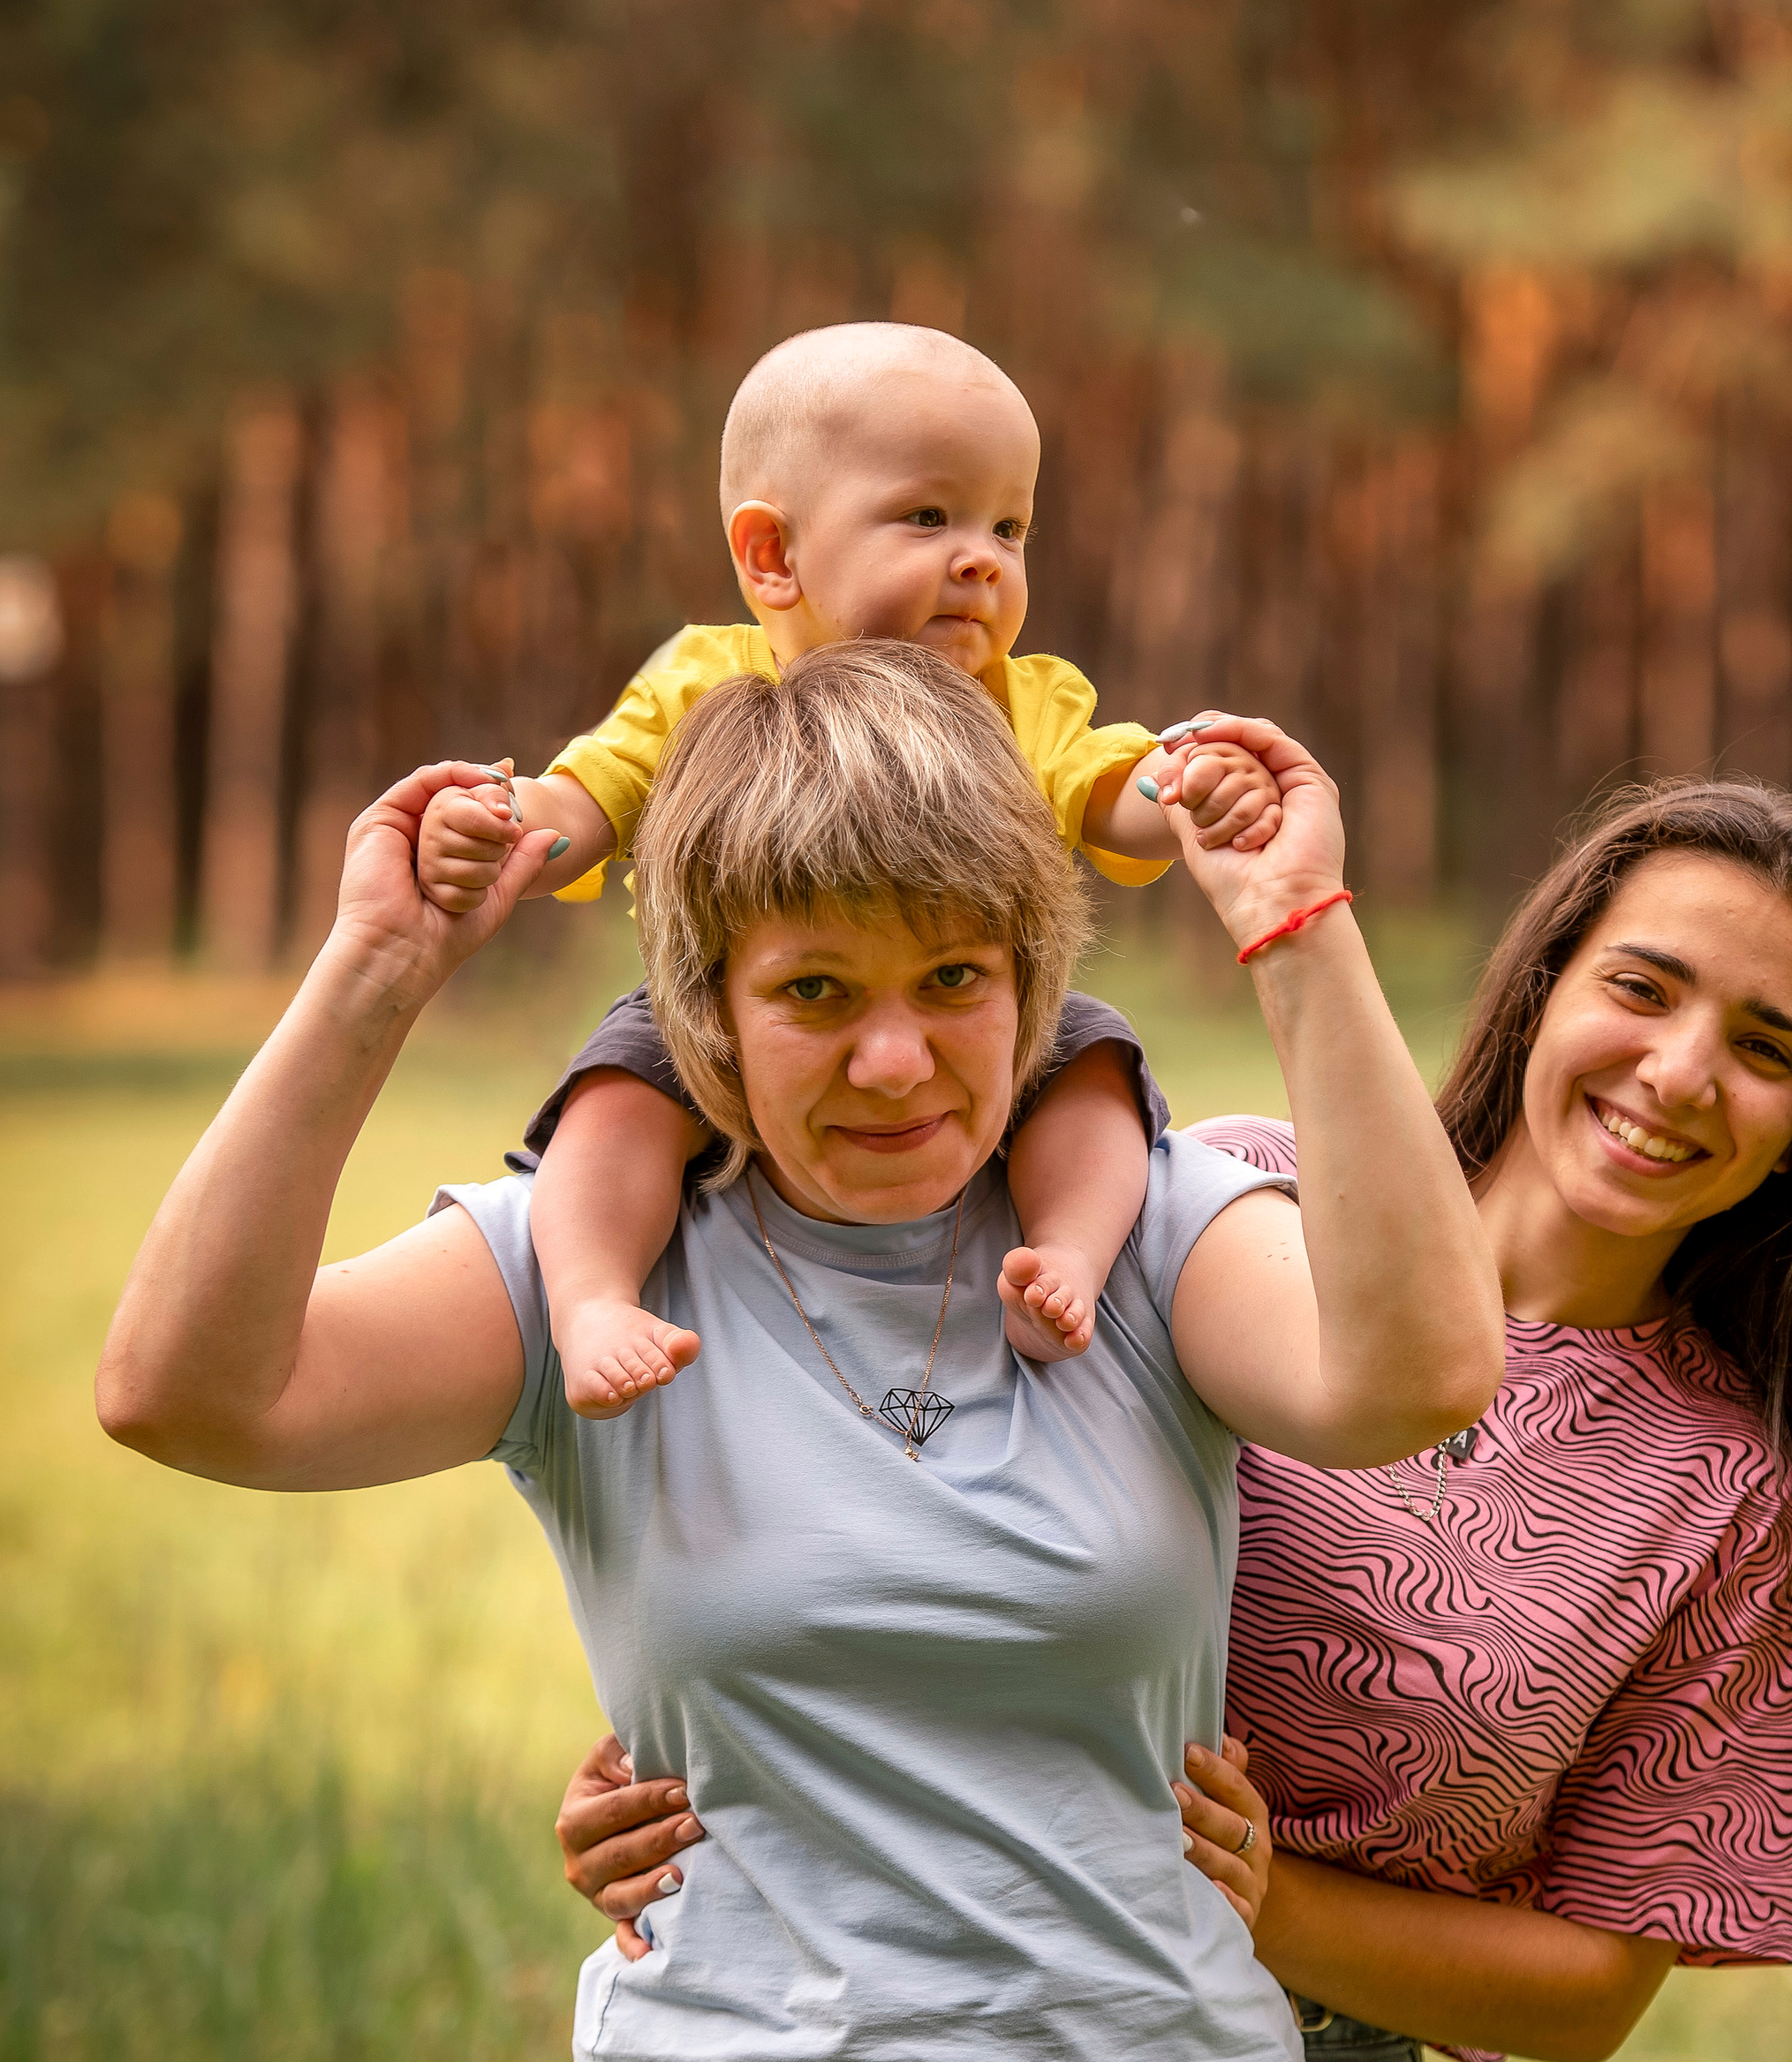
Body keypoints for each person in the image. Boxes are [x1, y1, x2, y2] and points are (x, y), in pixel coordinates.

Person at [97, 638, 1504, 2062]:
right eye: (814, 984)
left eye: (960, 975)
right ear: (706, 1008)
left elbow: (1418, 1361)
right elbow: (183, 1385)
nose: (894, 1053)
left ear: (1037, 972)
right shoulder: (594, 1271)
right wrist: (376, 965)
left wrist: (1304, 933)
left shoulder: (1138, 1233)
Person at [559, 776, 1792, 2062]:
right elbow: (864, 1457)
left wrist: (1271, 1904)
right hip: (881, 2025)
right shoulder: (1222, 1198)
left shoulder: (1731, 1491)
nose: (1680, 1074)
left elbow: (1600, 1984)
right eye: (1644, 987)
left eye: (1767, 1046)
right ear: (1544, 987)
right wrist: (681, 1760)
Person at [412, 318, 1287, 1415]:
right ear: (772, 556)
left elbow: (1111, 788)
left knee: (1095, 1072)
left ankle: (1066, 1258)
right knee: (619, 1095)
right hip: (739, 1015)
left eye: (1009, 526)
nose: (981, 556)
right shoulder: (706, 684)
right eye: (929, 516)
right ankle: (590, 1299)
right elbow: (588, 797)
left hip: (980, 1010)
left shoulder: (1024, 698)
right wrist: (497, 830)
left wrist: (1193, 788)